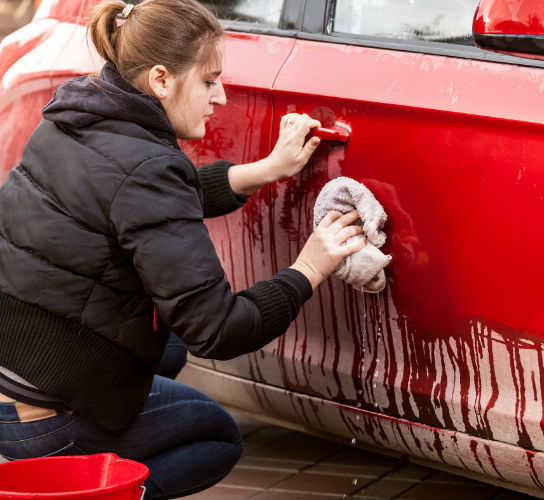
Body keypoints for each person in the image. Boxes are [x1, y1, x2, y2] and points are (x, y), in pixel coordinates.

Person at [0, 0, 366, 498]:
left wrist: (264, 169)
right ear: (160, 80)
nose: (220, 97)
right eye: (209, 80)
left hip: (12, 377)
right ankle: (91, 492)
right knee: (216, 436)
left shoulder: (77, 114)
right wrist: (308, 267)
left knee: (165, 341)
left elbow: (142, 200)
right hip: (45, 417)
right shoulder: (147, 167)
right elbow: (217, 330)